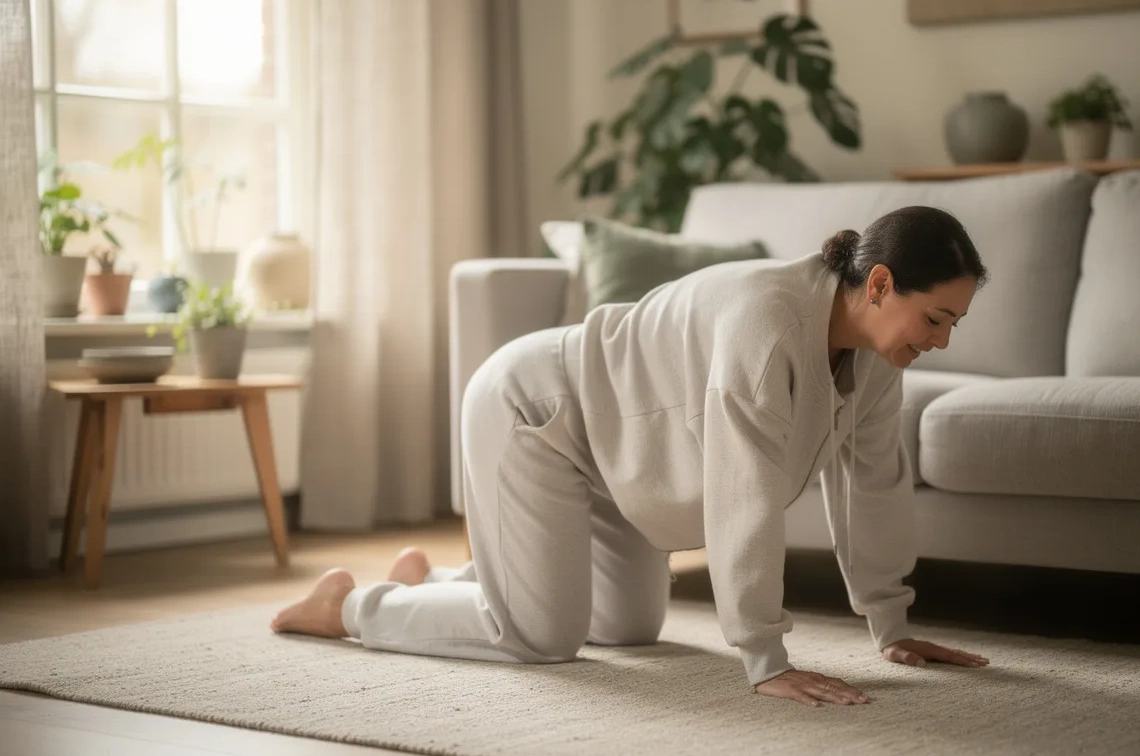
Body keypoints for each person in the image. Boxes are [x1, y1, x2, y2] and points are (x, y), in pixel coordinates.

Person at [272, 205, 992, 708]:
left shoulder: (876, 361)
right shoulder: (769, 324)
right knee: (538, 639)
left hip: (617, 460)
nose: (942, 341)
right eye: (935, 319)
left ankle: (453, 577)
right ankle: (352, 607)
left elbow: (872, 485)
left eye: (954, 324)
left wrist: (889, 623)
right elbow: (741, 492)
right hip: (538, 410)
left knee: (627, 630)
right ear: (879, 283)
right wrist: (764, 659)